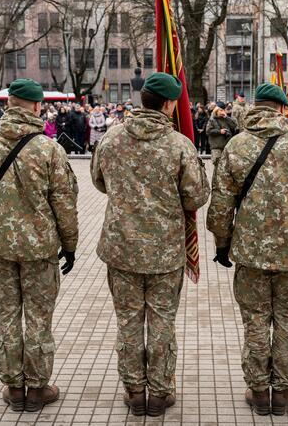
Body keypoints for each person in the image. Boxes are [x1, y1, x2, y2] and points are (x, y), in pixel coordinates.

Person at [207, 83, 288, 416]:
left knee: (255, 322)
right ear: (283, 109)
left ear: (255, 108)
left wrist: (222, 245)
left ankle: (258, 391)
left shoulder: (236, 146)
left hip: (250, 254)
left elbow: (220, 206)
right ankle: (282, 392)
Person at [91, 73, 210, 417]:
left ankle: (134, 391)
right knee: (161, 321)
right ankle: (159, 393)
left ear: (142, 99)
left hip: (121, 248)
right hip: (165, 251)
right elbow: (197, 195)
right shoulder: (179, 145)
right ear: (171, 104)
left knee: (128, 321)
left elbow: (99, 181)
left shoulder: (112, 139)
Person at [0, 78, 79, 412]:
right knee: (39, 319)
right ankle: (38, 388)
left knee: (8, 317)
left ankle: (14, 387)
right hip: (40, 249)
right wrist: (70, 245)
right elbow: (65, 203)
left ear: (9, 103)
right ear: (37, 106)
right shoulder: (49, 149)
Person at [206, 104, 237, 171]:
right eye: (220, 110)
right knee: (217, 167)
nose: (222, 112)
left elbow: (234, 126)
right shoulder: (212, 120)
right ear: (216, 111)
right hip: (216, 147)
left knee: (225, 167)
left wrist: (227, 118)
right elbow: (208, 131)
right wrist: (219, 131)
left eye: (223, 110)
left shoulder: (225, 119)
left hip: (226, 147)